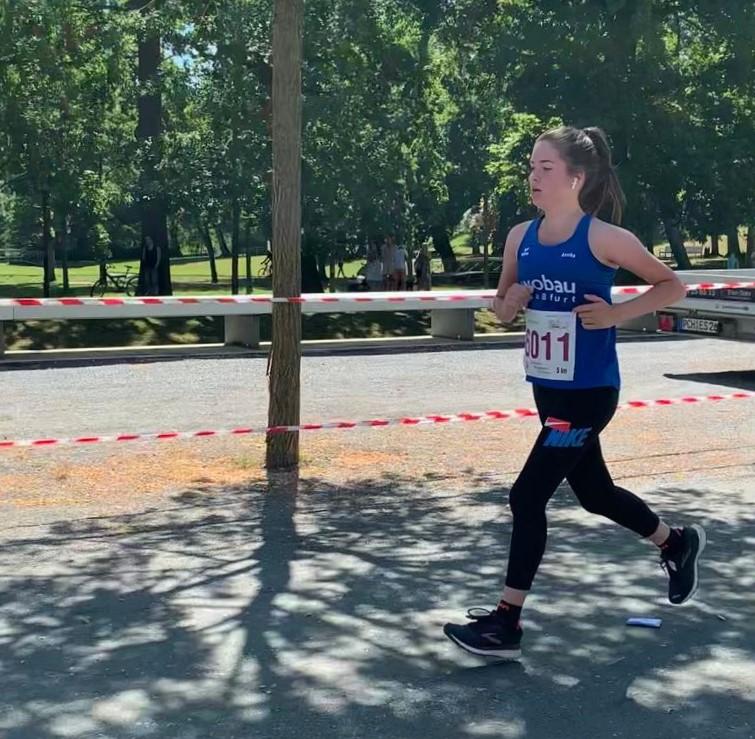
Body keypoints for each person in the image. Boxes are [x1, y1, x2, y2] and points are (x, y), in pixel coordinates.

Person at [443, 126, 705, 661]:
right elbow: (501, 309)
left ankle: (506, 623)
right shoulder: (520, 236)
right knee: (595, 494)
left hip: (589, 393)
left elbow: (672, 285)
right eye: (531, 167)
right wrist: (512, 301)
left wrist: (615, 314)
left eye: (545, 168)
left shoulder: (604, 238)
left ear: (576, 178)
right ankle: (676, 543)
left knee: (527, 496)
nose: (533, 177)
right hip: (549, 389)